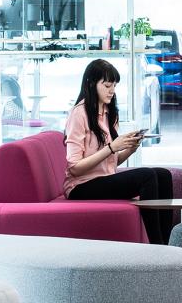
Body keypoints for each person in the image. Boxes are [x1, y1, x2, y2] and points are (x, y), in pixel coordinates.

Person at [63, 58, 174, 244]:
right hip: (80, 186)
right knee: (147, 176)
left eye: (114, 85)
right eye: (107, 85)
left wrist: (129, 148)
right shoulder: (79, 114)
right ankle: (155, 245)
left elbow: (110, 162)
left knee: (163, 175)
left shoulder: (108, 112)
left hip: (102, 180)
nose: (112, 90)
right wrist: (112, 147)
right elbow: (74, 168)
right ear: (91, 84)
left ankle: (167, 243)